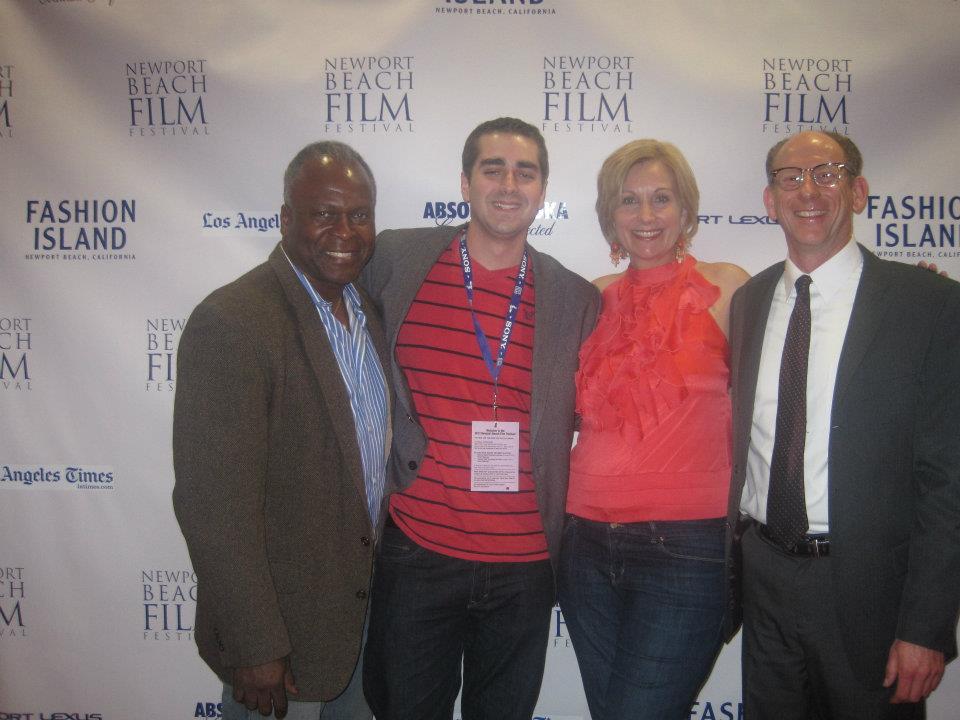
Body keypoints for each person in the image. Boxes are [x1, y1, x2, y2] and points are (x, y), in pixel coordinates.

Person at [360, 117, 599, 720]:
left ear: (543, 189)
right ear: (464, 182)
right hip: (418, 550)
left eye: (526, 172)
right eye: (493, 168)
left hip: (524, 569)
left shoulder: (575, 297)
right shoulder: (395, 257)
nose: (509, 184)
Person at [724, 130, 960, 718]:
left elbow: (948, 481)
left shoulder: (926, 305)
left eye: (827, 174)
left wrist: (927, 627)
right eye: (790, 177)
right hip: (765, 577)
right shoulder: (749, 303)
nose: (809, 190)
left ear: (857, 192)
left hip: (869, 591)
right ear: (769, 199)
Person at [172, 141, 390, 720]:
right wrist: (255, 646)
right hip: (280, 641)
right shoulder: (235, 321)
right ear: (286, 218)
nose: (344, 230)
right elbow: (212, 504)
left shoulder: (369, 313)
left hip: (361, 625)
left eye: (360, 214)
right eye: (324, 213)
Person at [557, 139, 749, 719]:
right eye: (629, 201)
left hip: (687, 549)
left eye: (661, 199)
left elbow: (799, 364)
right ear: (609, 217)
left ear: (686, 211)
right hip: (584, 543)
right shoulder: (589, 299)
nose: (646, 216)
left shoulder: (728, 289)